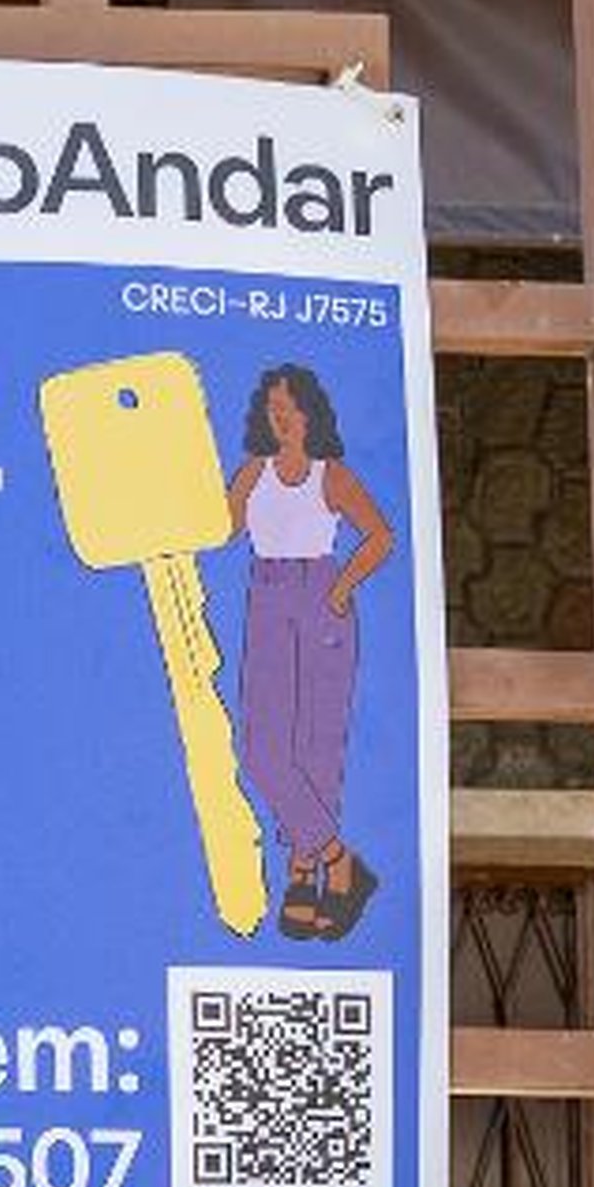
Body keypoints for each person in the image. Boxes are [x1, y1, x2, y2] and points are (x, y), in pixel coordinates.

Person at [224, 363, 393, 940]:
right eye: (272, 410)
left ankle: (302, 874)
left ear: (310, 413)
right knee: (263, 748)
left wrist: (341, 589)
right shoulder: (252, 474)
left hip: (320, 597)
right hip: (267, 597)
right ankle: (340, 861)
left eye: (289, 409)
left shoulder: (331, 476)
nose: (281, 419)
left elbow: (379, 535)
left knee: (316, 744)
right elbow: (219, 529)